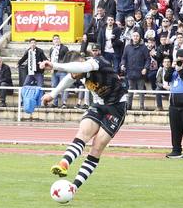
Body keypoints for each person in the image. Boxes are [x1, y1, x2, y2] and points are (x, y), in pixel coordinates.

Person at [42, 40, 129, 196]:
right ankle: (64, 163)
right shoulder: (78, 73)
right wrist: (53, 94)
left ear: (81, 61)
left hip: (116, 107)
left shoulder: (95, 62)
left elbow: (78, 68)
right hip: (99, 105)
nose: (74, 75)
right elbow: (69, 78)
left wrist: (54, 65)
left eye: (75, 70)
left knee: (96, 147)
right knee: (83, 134)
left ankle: (74, 186)